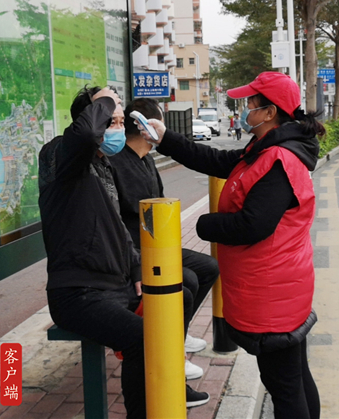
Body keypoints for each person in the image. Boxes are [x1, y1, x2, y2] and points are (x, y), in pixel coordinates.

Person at [139, 72, 322, 419]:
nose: (244, 108)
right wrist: (165, 138)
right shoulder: (265, 148)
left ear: (270, 112)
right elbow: (216, 161)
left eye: (251, 102)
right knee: (295, 375)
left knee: (284, 383)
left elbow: (253, 225)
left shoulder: (279, 159)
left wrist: (203, 224)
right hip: (281, 285)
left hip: (271, 291)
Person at [38, 86, 209, 419]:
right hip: (78, 294)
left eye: (119, 122)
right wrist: (104, 98)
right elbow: (84, 134)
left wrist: (135, 269)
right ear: (89, 119)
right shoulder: (59, 155)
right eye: (110, 120)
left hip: (115, 284)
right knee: (141, 339)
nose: (117, 129)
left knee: (181, 294)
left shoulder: (103, 165)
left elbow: (117, 228)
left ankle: (171, 386)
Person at [109, 98, 220, 380]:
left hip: (155, 247)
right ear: (146, 126)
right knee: (187, 279)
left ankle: (178, 333)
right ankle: (171, 353)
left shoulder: (146, 159)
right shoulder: (118, 163)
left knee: (208, 267)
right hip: (135, 252)